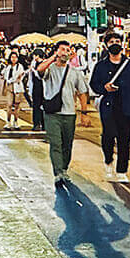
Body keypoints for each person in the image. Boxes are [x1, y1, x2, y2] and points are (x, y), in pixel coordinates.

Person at [91, 32, 130, 182]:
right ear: (106, 45)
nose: (115, 43)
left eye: (117, 41)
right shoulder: (101, 66)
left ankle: (121, 171)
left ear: (122, 44)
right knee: (108, 136)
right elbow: (94, 85)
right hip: (108, 106)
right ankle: (108, 162)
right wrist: (104, 88)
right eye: (111, 41)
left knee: (124, 139)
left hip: (127, 106)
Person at [36, 40, 92, 186]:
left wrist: (84, 113)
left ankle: (64, 169)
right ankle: (58, 172)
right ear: (56, 51)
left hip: (69, 113)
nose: (65, 52)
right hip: (52, 113)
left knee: (67, 144)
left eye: (67, 50)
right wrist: (53, 57)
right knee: (55, 143)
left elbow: (82, 93)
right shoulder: (50, 69)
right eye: (62, 49)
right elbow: (40, 70)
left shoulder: (74, 72)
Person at [1, 51, 27, 130]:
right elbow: (4, 75)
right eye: (12, 57)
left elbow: (20, 76)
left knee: (16, 105)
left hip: (17, 87)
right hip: (9, 87)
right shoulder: (8, 67)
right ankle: (8, 122)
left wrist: (15, 79)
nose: (13, 59)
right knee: (9, 105)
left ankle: (16, 122)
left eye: (15, 57)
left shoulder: (20, 67)